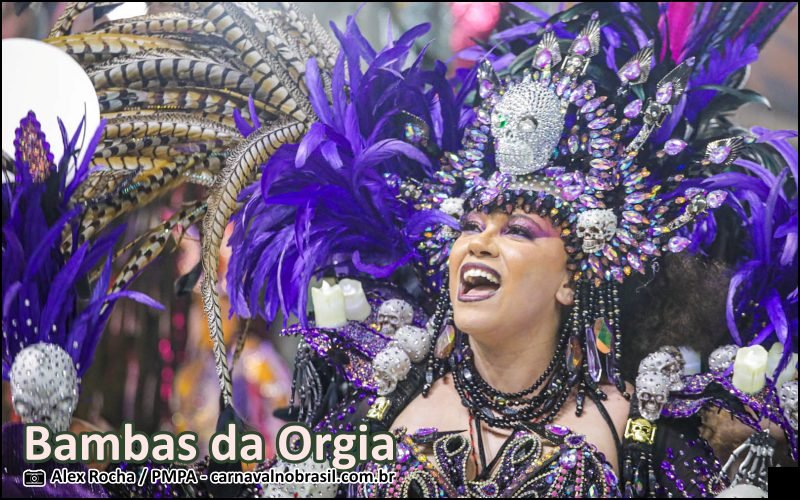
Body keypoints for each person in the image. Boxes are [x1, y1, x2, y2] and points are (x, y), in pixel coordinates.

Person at [21, 2, 796, 498]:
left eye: (518, 230)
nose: (479, 241)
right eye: (471, 223)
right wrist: (70, 463)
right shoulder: (371, 397)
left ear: (576, 275)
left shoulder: (651, 429)